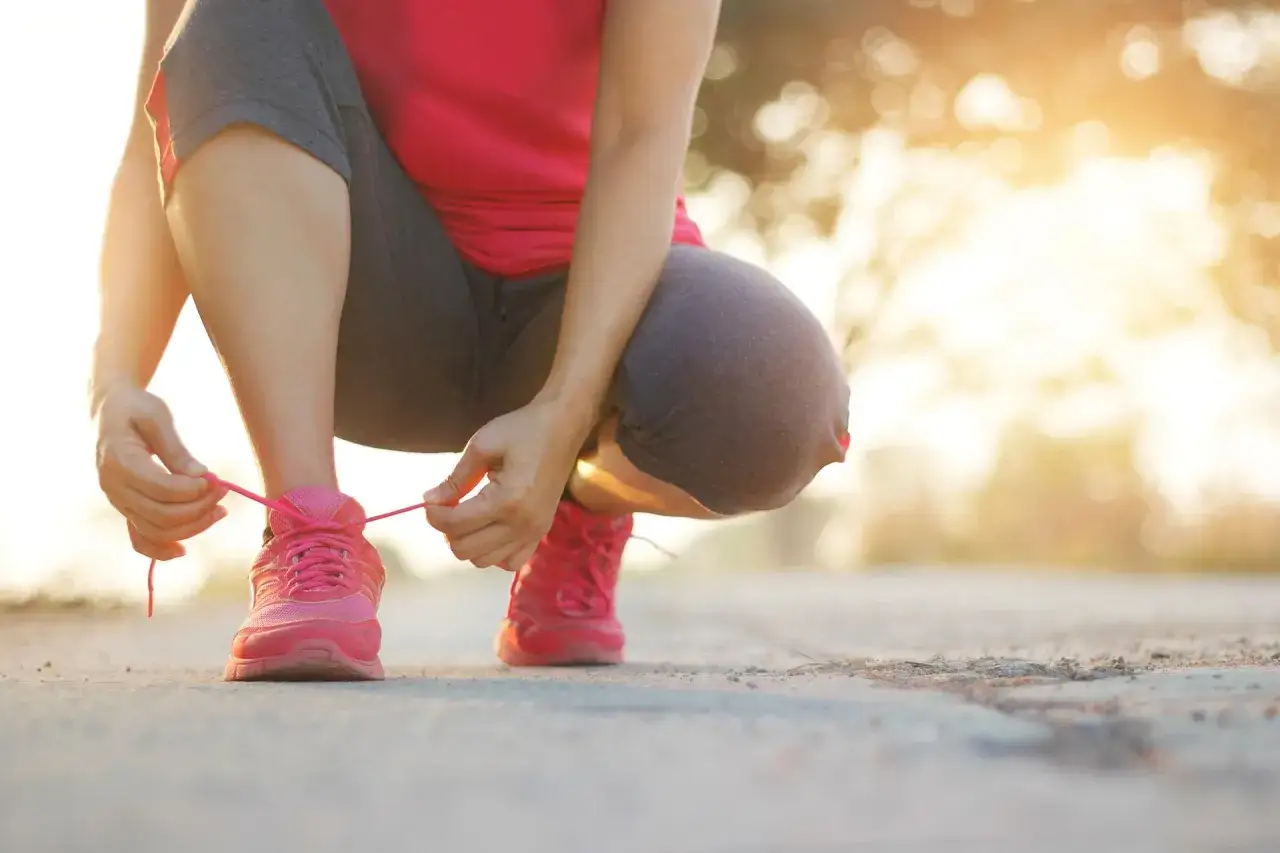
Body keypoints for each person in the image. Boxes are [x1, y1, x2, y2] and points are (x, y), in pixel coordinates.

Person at [92, 0, 850, 681]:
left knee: (774, 393)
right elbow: (164, 118)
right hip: (370, 304)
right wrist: (117, 381)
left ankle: (580, 497)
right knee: (230, 12)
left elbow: (639, 135)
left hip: (582, 307)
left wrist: (565, 410)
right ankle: (307, 530)